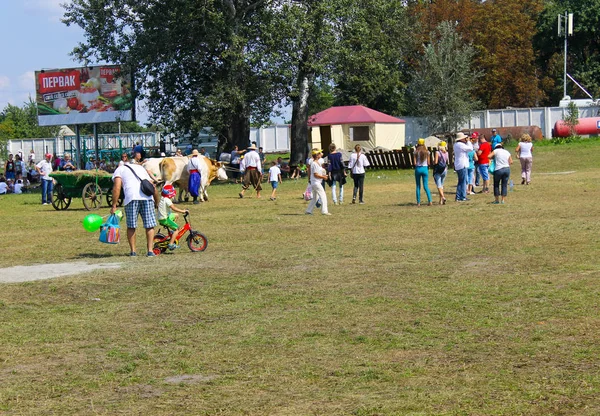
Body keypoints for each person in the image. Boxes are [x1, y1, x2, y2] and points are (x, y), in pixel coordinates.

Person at [111, 158, 158, 257]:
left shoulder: (120, 169)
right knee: (149, 225)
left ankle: (133, 251)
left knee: (131, 226)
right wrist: (156, 202)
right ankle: (150, 251)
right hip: (147, 198)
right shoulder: (141, 168)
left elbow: (117, 187)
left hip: (131, 198)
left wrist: (114, 205)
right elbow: (152, 186)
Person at [157, 184, 189, 250]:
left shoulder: (163, 198)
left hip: (165, 216)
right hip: (164, 219)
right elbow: (173, 208)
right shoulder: (167, 200)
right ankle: (171, 244)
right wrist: (183, 211)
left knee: (176, 215)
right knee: (177, 228)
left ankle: (172, 231)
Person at [305, 149, 330, 215]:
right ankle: (324, 211)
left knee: (315, 198)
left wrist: (324, 175)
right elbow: (315, 174)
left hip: (316, 182)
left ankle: (308, 210)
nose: (321, 154)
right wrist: (323, 177)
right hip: (316, 182)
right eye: (319, 153)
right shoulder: (314, 164)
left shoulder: (317, 163)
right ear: (317, 155)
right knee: (323, 196)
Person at [453, 132, 472, 202]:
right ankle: (462, 196)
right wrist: (468, 141)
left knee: (461, 181)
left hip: (459, 164)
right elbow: (470, 149)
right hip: (462, 164)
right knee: (463, 181)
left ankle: (458, 196)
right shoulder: (460, 145)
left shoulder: (456, 144)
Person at [414, 139, 432, 206]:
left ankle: (418, 202)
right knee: (426, 186)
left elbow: (414, 162)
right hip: (425, 169)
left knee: (418, 186)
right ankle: (430, 201)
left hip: (418, 168)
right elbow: (429, 162)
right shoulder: (427, 152)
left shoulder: (416, 152)